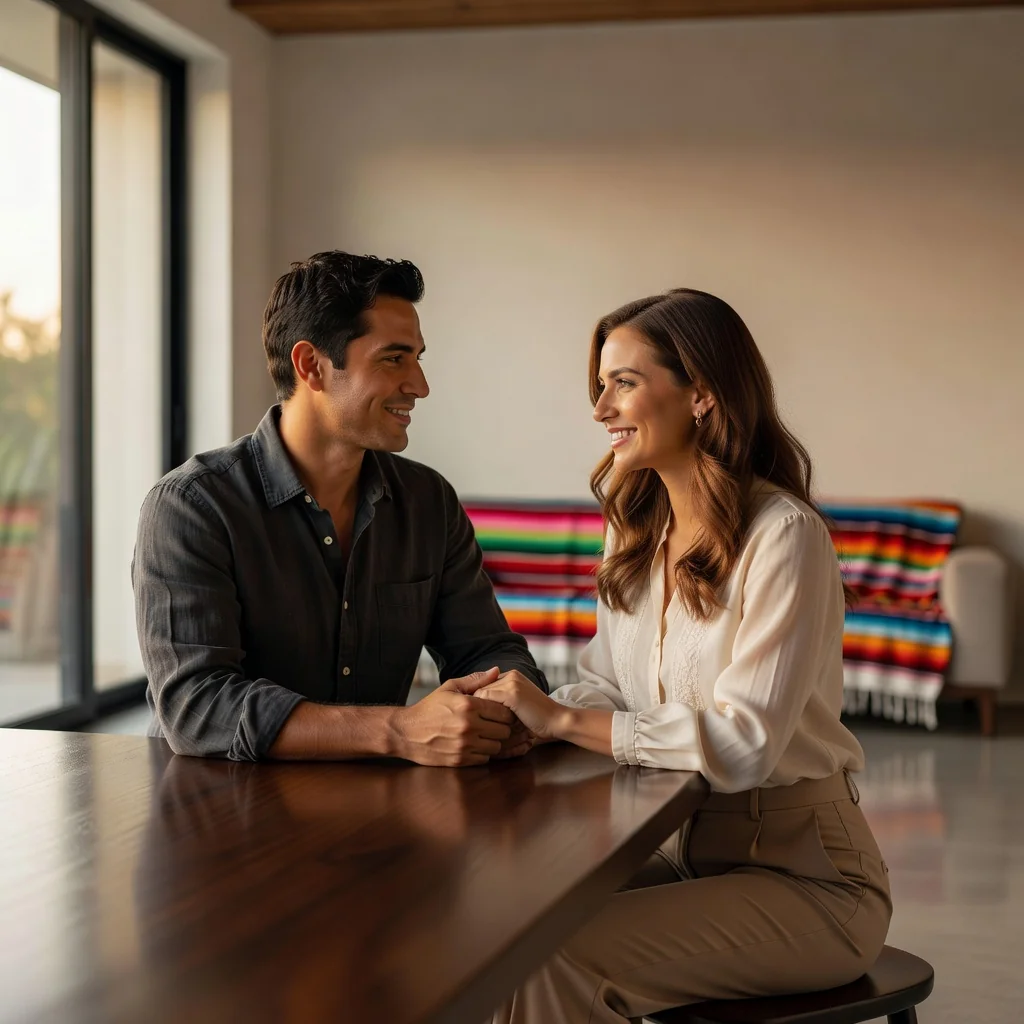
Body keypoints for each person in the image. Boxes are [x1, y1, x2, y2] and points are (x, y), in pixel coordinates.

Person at [471, 289, 892, 1022]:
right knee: (495, 936)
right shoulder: (634, 532)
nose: (600, 409)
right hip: (681, 851)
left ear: (701, 393)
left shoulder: (784, 536)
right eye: (599, 386)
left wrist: (560, 723)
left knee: (560, 959)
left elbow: (745, 743)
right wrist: (521, 712)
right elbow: (604, 685)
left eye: (623, 383)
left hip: (813, 880)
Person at [132, 251, 545, 764]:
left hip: (381, 816)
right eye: (394, 358)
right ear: (312, 366)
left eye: (418, 357)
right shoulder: (191, 508)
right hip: (219, 816)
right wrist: (398, 729)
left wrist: (496, 704)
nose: (420, 385)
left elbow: (490, 651)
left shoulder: (428, 502)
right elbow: (197, 708)